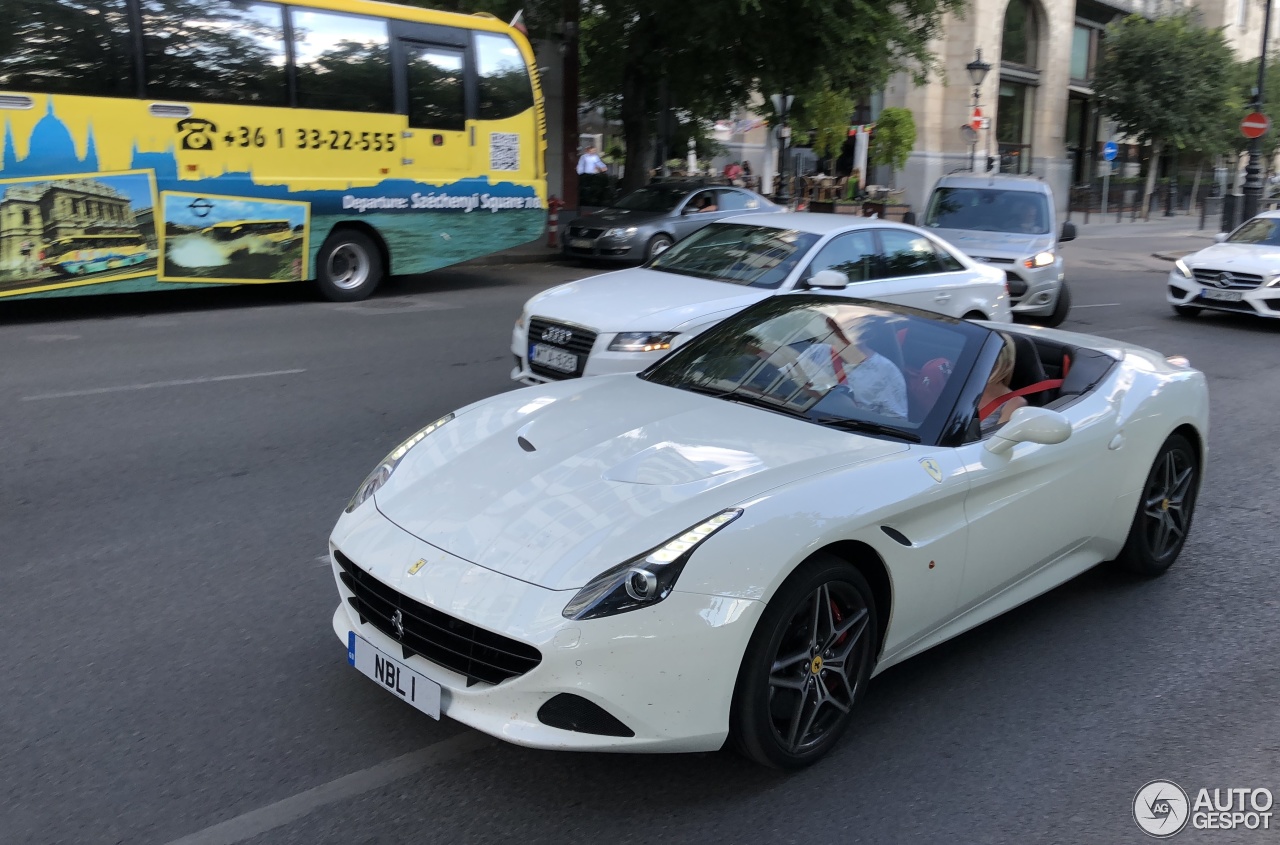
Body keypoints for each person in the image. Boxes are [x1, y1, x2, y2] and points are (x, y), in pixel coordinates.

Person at [782, 316, 908, 419]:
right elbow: (785, 381)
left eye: (847, 330)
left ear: (866, 335)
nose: (836, 334)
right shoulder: (817, 352)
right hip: (802, 418)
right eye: (834, 328)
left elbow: (897, 420)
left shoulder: (886, 371)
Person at [979, 332, 1028, 433]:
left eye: (990, 359)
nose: (981, 363)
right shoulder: (961, 390)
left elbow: (994, 444)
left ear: (1005, 365)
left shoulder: (1014, 403)